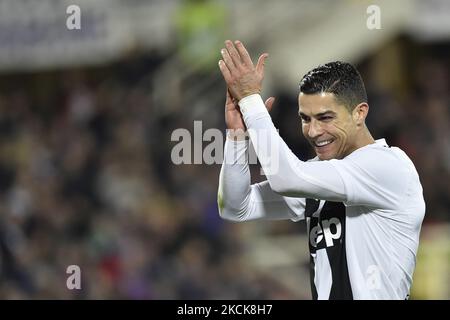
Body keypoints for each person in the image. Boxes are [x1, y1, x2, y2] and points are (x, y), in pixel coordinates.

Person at [216, 40, 425, 300]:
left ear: (359, 113)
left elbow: (286, 178)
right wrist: (237, 136)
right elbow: (236, 206)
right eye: (306, 119)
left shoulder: (388, 167)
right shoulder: (318, 177)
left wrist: (250, 101)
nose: (313, 132)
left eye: (326, 118)